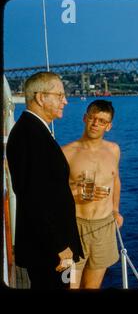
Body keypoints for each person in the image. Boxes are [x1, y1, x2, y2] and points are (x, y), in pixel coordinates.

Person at [6, 71, 83, 289]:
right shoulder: (30, 135)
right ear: (41, 98)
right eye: (59, 95)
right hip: (50, 249)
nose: (65, 101)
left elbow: (44, 187)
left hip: (49, 244)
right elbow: (33, 198)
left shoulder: (34, 130)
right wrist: (60, 246)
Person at [62, 100, 123, 289]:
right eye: (92, 118)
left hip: (104, 227)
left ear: (109, 126)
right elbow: (53, 195)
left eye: (102, 121)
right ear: (85, 118)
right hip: (74, 226)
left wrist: (115, 210)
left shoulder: (113, 150)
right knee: (69, 285)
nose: (96, 124)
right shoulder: (66, 153)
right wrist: (76, 192)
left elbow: (115, 180)